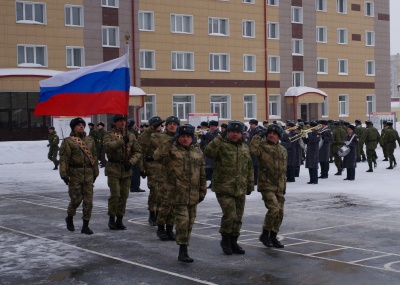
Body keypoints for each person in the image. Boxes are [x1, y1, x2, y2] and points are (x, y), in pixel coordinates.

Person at [153, 125, 207, 263]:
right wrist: (171, 140)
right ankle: (183, 250)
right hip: (177, 194)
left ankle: (184, 245)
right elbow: (157, 156)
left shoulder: (197, 152)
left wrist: (202, 191)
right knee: (183, 222)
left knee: (189, 223)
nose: (185, 139)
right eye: (182, 136)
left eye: (188, 136)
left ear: (192, 138)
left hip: (193, 194)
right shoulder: (171, 150)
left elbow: (201, 173)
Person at [204, 120, 254, 255]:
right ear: (228, 132)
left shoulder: (244, 147)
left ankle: (234, 241)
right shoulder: (221, 144)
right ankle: (225, 240)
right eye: (232, 132)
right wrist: (220, 137)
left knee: (238, 216)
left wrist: (250, 184)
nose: (235, 135)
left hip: (240, 187)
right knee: (230, 215)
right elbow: (208, 152)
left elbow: (249, 167)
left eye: (238, 132)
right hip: (224, 187)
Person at [250, 123, 287, 248]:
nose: (271, 135)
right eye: (270, 133)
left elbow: (283, 170)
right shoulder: (262, 146)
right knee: (274, 209)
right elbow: (253, 150)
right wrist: (256, 137)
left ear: (279, 136)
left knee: (280, 212)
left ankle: (273, 235)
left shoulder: (282, 150)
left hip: (279, 185)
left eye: (275, 134)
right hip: (266, 184)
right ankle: (265, 234)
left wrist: (284, 186)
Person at [59, 117, 99, 235]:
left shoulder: (90, 140)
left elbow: (95, 158)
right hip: (74, 173)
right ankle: (70, 216)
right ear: (73, 127)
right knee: (76, 199)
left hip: (88, 173)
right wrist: (64, 174)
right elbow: (64, 159)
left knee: (88, 201)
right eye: (78, 125)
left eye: (82, 124)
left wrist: (95, 172)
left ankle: (85, 225)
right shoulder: (68, 141)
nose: (81, 126)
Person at [104, 114, 142, 230]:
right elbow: (107, 147)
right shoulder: (109, 135)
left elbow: (138, 151)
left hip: (126, 169)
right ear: (115, 123)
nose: (122, 123)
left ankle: (120, 219)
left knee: (124, 195)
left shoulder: (130, 135)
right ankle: (112, 219)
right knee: (115, 194)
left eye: (123, 121)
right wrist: (121, 142)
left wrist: (131, 162)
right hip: (113, 168)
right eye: (119, 121)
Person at [150, 115, 180, 241]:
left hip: (177, 175)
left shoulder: (180, 139)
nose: (172, 125)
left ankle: (169, 228)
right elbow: (158, 152)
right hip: (163, 175)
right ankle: (161, 227)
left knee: (174, 204)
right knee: (165, 203)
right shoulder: (159, 137)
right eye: (170, 124)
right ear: (166, 126)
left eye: (174, 124)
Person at [137, 116, 165, 226]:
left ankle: (160, 213)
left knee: (162, 192)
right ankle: (152, 213)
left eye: (159, 124)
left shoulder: (164, 135)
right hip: (152, 166)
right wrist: (141, 168)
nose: (159, 126)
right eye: (156, 124)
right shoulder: (147, 136)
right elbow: (141, 152)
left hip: (164, 167)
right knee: (155, 191)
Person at [200, 120, 220, 189]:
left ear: (216, 126)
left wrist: (207, 134)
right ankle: (211, 182)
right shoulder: (210, 132)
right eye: (210, 126)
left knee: (213, 169)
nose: (211, 127)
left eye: (213, 126)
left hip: (214, 153)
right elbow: (206, 141)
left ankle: (213, 183)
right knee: (208, 169)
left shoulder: (218, 133)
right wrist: (202, 138)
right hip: (208, 153)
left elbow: (215, 140)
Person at [127, 119, 144, 193]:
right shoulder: (132, 133)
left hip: (130, 155)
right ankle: (135, 187)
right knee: (136, 171)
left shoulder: (128, 132)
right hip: (134, 155)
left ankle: (132, 186)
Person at [246, 119, 263, 185]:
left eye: (252, 124)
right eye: (250, 124)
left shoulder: (258, 131)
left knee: (255, 166)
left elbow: (257, 140)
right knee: (251, 166)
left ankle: (255, 180)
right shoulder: (249, 130)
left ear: (255, 124)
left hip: (255, 150)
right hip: (249, 150)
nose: (250, 125)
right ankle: (251, 179)